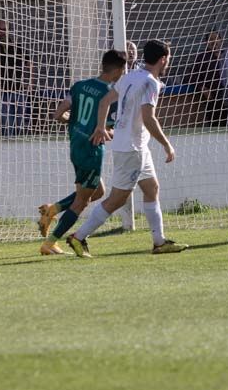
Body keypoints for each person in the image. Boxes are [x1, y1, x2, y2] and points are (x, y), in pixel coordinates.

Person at [65, 40, 188, 257]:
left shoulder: (130, 76)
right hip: (132, 148)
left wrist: (102, 128)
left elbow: (104, 102)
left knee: (152, 188)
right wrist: (167, 145)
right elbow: (149, 118)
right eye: (168, 58)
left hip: (135, 146)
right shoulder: (150, 82)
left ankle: (159, 241)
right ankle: (79, 237)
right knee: (117, 199)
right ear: (163, 59)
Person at [36, 50, 127, 256]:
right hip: (91, 150)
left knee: (98, 191)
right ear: (118, 71)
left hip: (75, 145)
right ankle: (49, 243)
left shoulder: (79, 86)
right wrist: (108, 130)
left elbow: (58, 114)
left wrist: (77, 123)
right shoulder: (111, 96)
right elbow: (106, 130)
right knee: (81, 202)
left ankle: (52, 210)